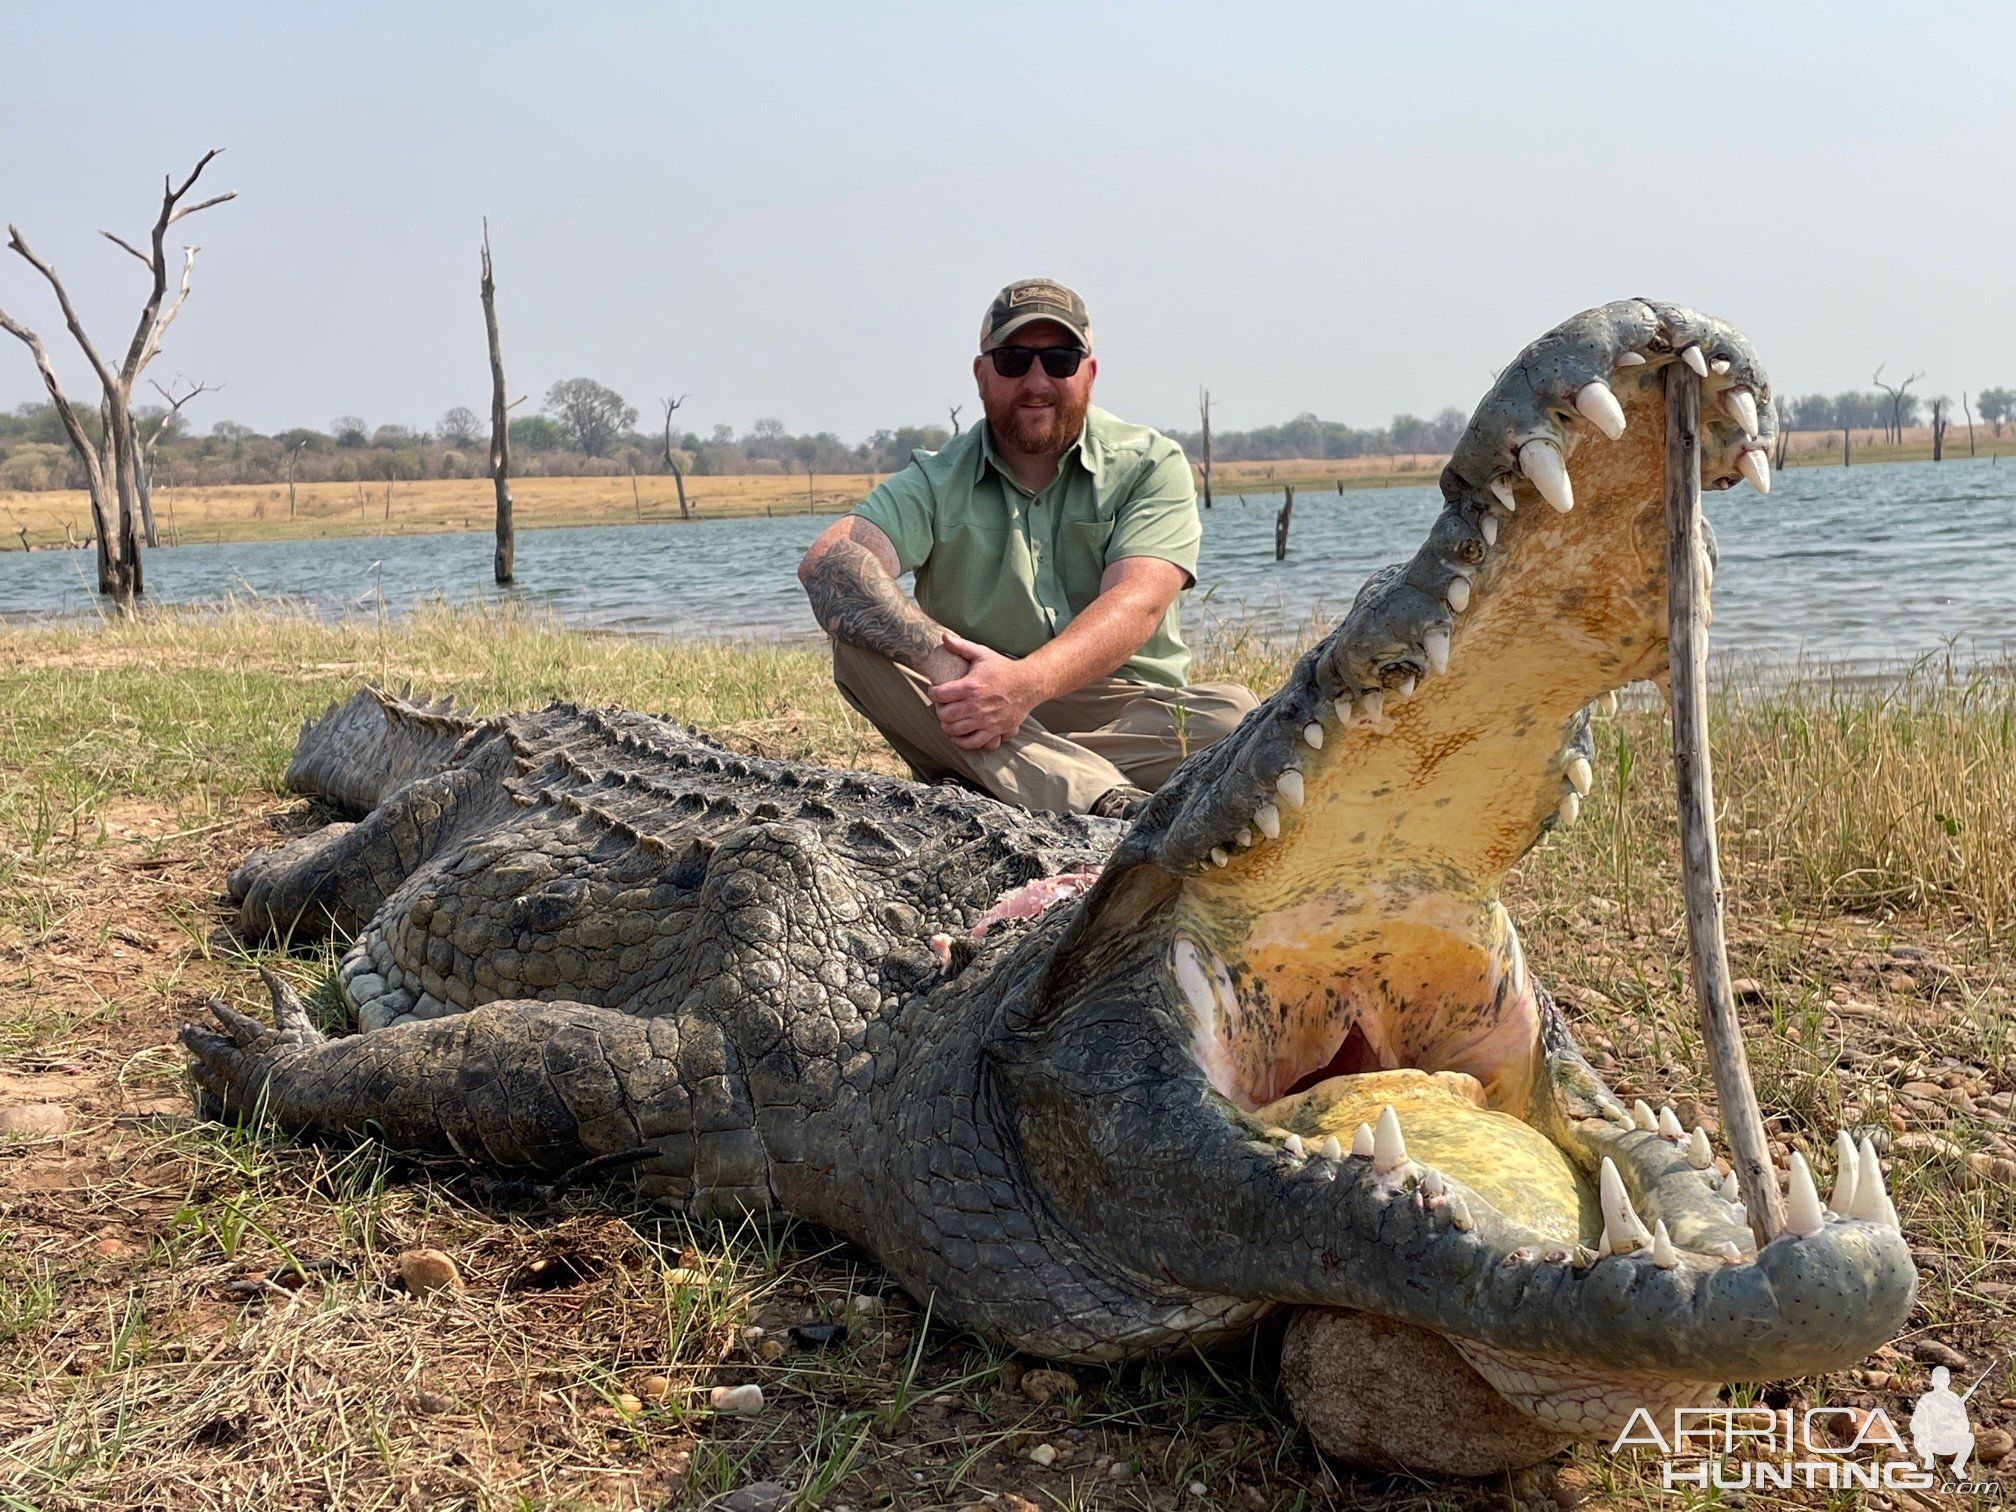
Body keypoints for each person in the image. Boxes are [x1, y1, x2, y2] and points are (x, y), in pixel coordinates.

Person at [797, 278, 1257, 817]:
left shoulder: (1150, 464)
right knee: (858, 642)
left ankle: (1010, 779)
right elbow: (829, 563)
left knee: (1231, 718)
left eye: (1059, 359)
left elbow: (1140, 602)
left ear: (1089, 372)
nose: (1037, 381)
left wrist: (1023, 686)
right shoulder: (935, 479)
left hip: (1119, 708)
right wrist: (954, 673)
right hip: (972, 704)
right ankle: (1104, 799)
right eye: (1014, 359)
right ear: (981, 374)